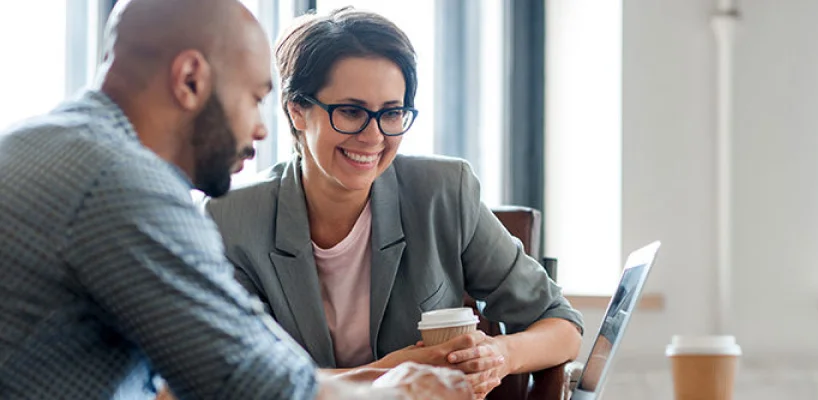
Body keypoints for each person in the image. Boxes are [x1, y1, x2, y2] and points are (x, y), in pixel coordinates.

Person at [0, 0, 470, 399]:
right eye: (253, 97)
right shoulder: (122, 183)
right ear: (190, 80)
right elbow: (246, 382)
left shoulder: (41, 141)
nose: (262, 128)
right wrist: (400, 390)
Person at [203, 8, 584, 399]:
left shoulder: (443, 193)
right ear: (297, 110)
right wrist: (393, 373)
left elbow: (561, 324)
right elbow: (239, 381)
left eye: (391, 113)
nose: (373, 136)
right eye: (351, 112)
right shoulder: (231, 221)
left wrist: (500, 354)